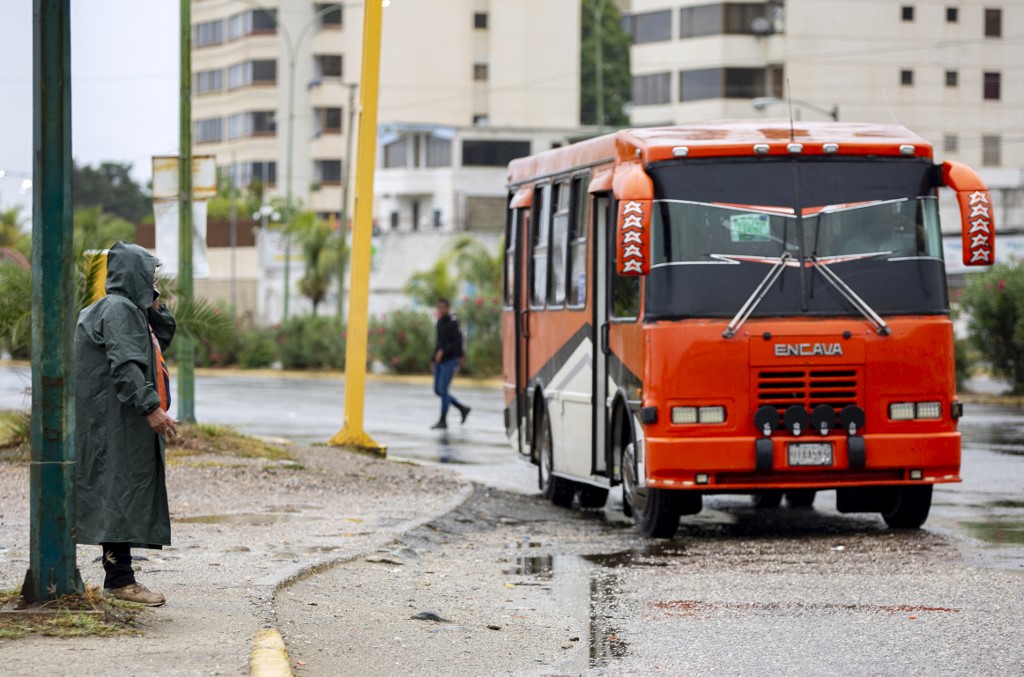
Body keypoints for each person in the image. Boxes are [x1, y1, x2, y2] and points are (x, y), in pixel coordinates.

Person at [75, 241, 178, 607]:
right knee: (117, 495)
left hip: (118, 420)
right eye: (149, 273)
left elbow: (155, 346)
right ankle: (120, 581)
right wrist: (151, 407)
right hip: (116, 422)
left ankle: (119, 578)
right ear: (133, 273)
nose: (154, 280)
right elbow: (125, 364)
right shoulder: (117, 310)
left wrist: (155, 306)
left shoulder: (127, 310)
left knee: (117, 494)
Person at [431, 299, 470, 430]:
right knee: (438, 390)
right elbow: (439, 342)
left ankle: (443, 420)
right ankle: (462, 408)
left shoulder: (453, 322)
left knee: (443, 390)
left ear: (448, 308)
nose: (441, 310)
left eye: (443, 307)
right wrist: (433, 358)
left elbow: (456, 343)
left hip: (450, 359)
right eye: (439, 308)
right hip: (440, 361)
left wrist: (444, 351)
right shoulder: (440, 322)